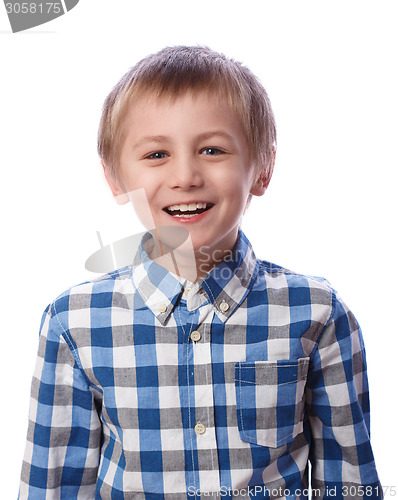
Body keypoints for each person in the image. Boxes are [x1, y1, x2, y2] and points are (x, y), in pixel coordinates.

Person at [18, 45, 382, 499]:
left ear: (263, 168)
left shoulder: (319, 314)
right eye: (156, 155)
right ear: (115, 178)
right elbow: (53, 487)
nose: (185, 175)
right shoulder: (72, 324)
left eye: (212, 150)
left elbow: (349, 484)